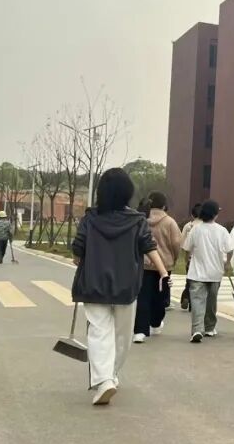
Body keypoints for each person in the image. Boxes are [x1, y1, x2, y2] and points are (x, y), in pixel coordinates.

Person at [72, 168, 169, 405]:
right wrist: (163, 272)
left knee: (98, 333)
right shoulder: (137, 220)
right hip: (126, 286)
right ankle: (111, 375)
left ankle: (105, 379)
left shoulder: (90, 219)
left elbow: (77, 252)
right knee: (123, 336)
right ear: (128, 192)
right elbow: (149, 246)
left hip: (94, 284)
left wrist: (85, 257)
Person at [182, 200, 234, 343]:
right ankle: (209, 328)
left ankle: (197, 329)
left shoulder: (195, 229)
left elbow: (187, 248)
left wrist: (187, 260)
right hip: (215, 272)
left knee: (197, 302)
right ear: (215, 214)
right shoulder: (221, 230)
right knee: (211, 302)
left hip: (197, 272)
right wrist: (227, 263)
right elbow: (230, 249)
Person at [133, 192, 182, 343]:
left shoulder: (140, 220)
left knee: (143, 297)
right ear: (164, 205)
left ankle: (140, 331)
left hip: (143, 264)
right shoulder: (170, 222)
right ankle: (155, 322)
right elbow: (176, 243)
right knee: (161, 297)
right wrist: (174, 257)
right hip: (164, 266)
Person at [179, 203, 201, 311]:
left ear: (192, 215)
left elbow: (183, 244)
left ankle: (186, 296)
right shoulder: (205, 227)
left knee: (189, 279)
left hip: (190, 258)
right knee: (199, 282)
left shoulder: (188, 226)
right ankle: (193, 304)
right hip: (202, 259)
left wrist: (185, 258)